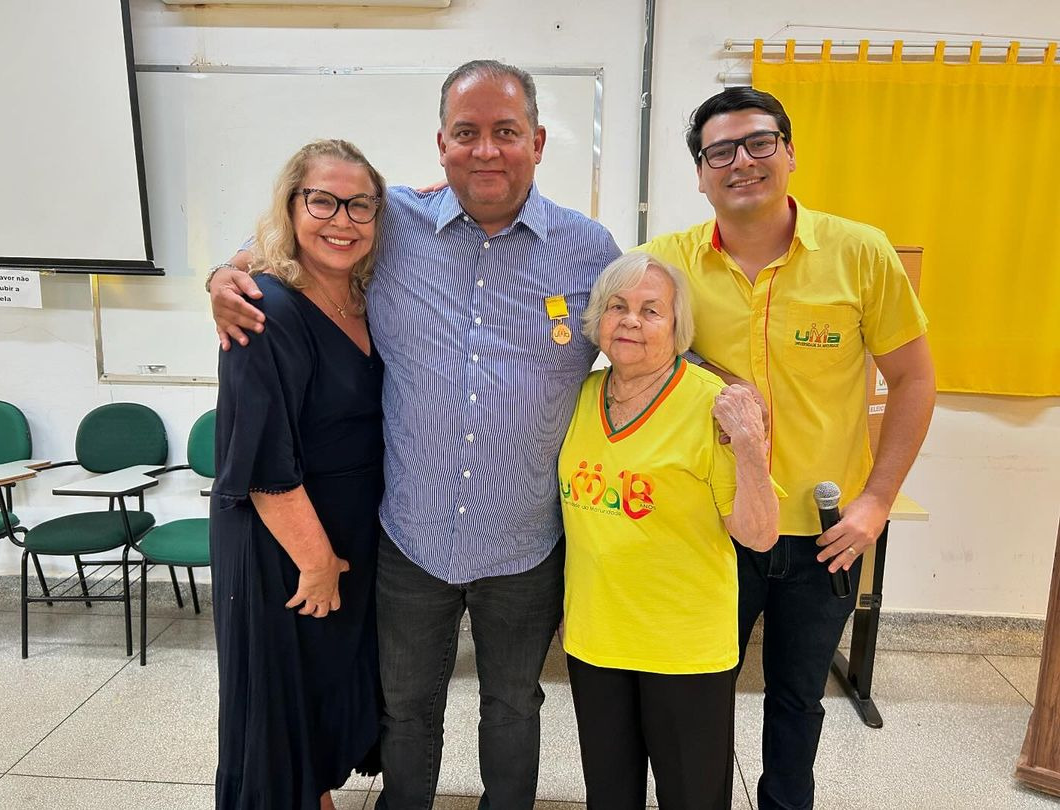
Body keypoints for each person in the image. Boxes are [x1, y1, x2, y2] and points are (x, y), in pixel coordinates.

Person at [208, 60, 621, 810]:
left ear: (538, 140)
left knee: (513, 707)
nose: (486, 150)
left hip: (525, 540)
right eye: (467, 133)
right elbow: (285, 240)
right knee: (407, 711)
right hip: (409, 537)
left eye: (505, 132)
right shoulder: (389, 219)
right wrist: (220, 277)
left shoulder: (590, 249)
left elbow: (641, 343)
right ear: (441, 143)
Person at [640, 87, 936, 810]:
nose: (741, 161)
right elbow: (622, 345)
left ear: (790, 152)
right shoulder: (666, 263)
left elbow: (914, 378)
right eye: (720, 151)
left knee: (798, 701)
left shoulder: (858, 252)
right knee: (699, 697)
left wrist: (877, 501)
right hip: (714, 529)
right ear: (701, 173)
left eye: (759, 142)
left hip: (826, 534)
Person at [559, 252, 780, 810]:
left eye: (651, 310)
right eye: (618, 307)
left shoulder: (710, 404)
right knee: (609, 795)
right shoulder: (581, 398)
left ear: (678, 327)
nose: (631, 321)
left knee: (693, 798)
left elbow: (759, 535)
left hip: (683, 648)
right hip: (596, 639)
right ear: (599, 321)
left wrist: (752, 446)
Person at [210, 139, 387, 810]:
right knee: (281, 708)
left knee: (318, 698)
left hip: (346, 537)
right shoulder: (265, 307)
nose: (342, 220)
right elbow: (261, 461)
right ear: (291, 206)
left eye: (360, 205)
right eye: (322, 201)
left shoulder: (366, 295)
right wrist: (316, 562)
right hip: (285, 546)